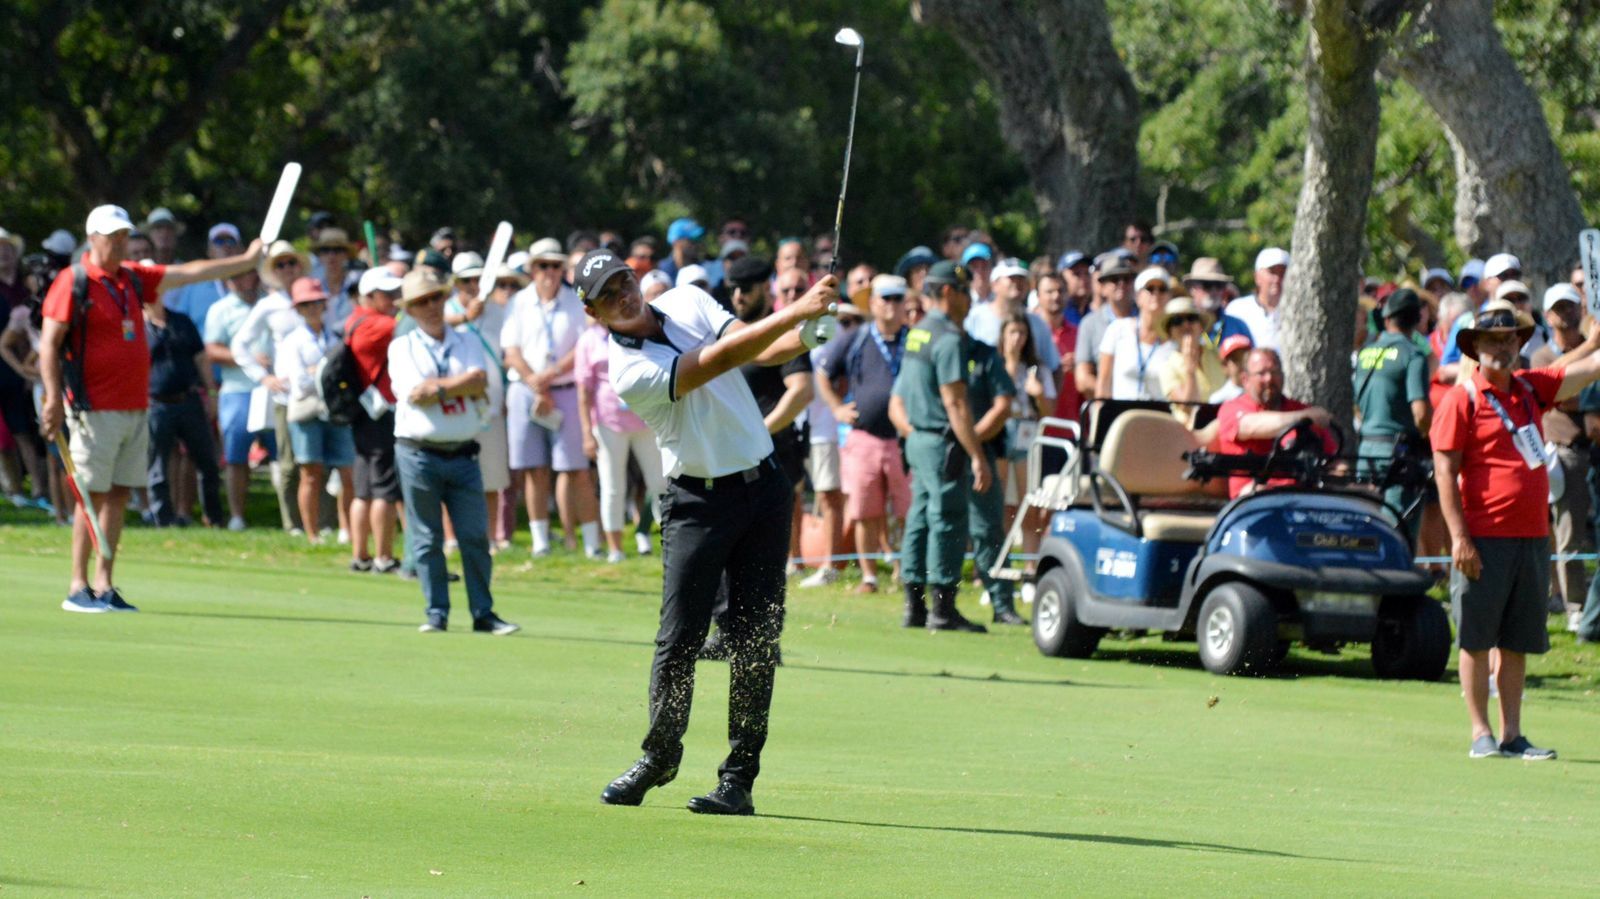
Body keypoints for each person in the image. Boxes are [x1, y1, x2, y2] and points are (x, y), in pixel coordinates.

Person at [582, 247, 837, 817]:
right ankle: (660, 756)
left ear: (634, 276)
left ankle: (739, 779)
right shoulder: (626, 369)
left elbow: (757, 346)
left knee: (754, 638)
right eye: (607, 296)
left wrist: (808, 334)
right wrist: (797, 310)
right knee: (680, 639)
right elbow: (719, 360)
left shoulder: (688, 299)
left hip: (764, 489)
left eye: (623, 280)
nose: (622, 294)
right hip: (697, 501)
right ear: (594, 313)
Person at [39, 204, 262, 613]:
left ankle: (105, 584)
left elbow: (192, 272)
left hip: (135, 407)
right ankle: (77, 585)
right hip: (92, 408)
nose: (120, 242)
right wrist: (53, 398)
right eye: (112, 235)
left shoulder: (133, 279)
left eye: (124, 234)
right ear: (93, 238)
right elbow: (50, 345)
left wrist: (244, 262)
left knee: (120, 494)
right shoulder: (75, 281)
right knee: (91, 495)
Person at [1433, 301, 1600, 759]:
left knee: (1516, 640)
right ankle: (1480, 733)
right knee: (1476, 638)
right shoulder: (1461, 399)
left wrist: (1596, 335)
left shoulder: (1528, 389)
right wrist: (1460, 538)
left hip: (1530, 535)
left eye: (1509, 339)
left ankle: (1512, 734)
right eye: (1492, 340)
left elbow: (1587, 370)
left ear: (1518, 344)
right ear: (1477, 347)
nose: (1501, 348)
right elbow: (1444, 474)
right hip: (1482, 537)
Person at [388, 267, 518, 636]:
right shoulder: (403, 346)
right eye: (421, 302)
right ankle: (437, 612)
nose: (430, 306)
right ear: (410, 309)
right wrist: (458, 386)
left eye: (435, 298)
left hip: (463, 452)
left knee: (475, 536)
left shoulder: (466, 340)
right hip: (419, 452)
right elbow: (415, 393)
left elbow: (480, 381)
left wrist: (441, 388)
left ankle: (483, 612)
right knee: (427, 538)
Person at [888, 260, 992, 633]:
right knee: (947, 518)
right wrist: (978, 455)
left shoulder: (917, 333)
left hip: (916, 437)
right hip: (941, 441)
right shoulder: (949, 338)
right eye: (964, 291)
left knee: (919, 517)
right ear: (948, 291)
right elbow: (957, 403)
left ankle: (913, 606)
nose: (969, 299)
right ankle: (943, 608)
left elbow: (900, 393)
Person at [503, 237, 602, 559]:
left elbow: (583, 345)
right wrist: (535, 381)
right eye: (543, 265)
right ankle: (541, 542)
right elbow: (511, 350)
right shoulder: (518, 302)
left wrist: (550, 374)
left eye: (555, 265)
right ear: (532, 269)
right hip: (525, 390)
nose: (549, 272)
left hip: (565, 389)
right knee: (534, 470)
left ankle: (591, 544)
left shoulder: (575, 301)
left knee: (576, 470)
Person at [819, 274, 911, 594]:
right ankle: (870, 576)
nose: (891, 305)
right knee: (864, 510)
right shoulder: (856, 337)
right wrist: (836, 409)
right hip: (864, 437)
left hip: (905, 439)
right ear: (872, 303)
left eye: (898, 298)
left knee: (907, 510)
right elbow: (823, 372)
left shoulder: (914, 340)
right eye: (885, 298)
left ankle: (906, 571)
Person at [575, 300, 665, 563]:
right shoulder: (588, 340)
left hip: (644, 419)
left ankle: (666, 538)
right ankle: (616, 548)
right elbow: (583, 391)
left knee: (660, 482)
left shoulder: (633, 329)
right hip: (607, 423)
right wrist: (586, 433)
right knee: (613, 487)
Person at [274, 277, 354, 545]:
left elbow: (341, 376)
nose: (312, 308)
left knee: (346, 472)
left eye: (317, 302)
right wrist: (323, 375)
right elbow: (300, 385)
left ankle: (347, 529)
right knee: (310, 473)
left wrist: (317, 374)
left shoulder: (335, 337)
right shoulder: (293, 341)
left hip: (334, 412)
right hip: (306, 413)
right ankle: (312, 533)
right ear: (298, 309)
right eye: (306, 304)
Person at [1528, 285, 1591, 622]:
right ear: (1548, 315)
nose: (1566, 314)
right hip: (1564, 454)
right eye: (1559, 308)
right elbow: (1566, 399)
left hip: (1591, 449)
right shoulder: (1542, 358)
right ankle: (1576, 607)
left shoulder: (1590, 350)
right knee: (1569, 535)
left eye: (1572, 307)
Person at [452, 263, 521, 552]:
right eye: (467, 280)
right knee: (454, 479)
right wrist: (464, 317)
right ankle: (451, 538)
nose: (474, 284)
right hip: (455, 407)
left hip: (490, 405)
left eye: (479, 279)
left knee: (491, 478)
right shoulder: (444, 309)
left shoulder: (498, 311)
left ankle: (491, 537)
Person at [143, 288, 223, 527]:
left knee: (207, 462)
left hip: (188, 400)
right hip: (156, 403)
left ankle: (214, 518)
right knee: (157, 467)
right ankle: (163, 520)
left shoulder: (181, 320)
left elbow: (200, 358)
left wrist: (211, 393)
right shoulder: (135, 326)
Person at [1352, 288, 1431, 526]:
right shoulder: (1413, 355)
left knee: (1368, 527)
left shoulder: (1365, 353)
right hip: (1400, 454)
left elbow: (1357, 404)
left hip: (1366, 450)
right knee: (1399, 530)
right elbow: (1420, 413)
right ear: (1417, 319)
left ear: (1386, 319)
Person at [1213, 349, 1336, 499]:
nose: (1269, 379)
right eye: (1261, 373)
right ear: (1245, 379)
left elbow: (1335, 461)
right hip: (1253, 502)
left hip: (1305, 498)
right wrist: (1304, 417)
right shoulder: (1231, 409)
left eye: (1275, 372)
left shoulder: (1301, 410)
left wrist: (1340, 476)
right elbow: (1252, 426)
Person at [203, 266, 273, 530]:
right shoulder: (221, 309)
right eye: (235, 276)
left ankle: (293, 519)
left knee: (282, 456)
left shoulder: (270, 304)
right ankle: (237, 517)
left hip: (273, 387)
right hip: (237, 390)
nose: (242, 280)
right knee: (236, 457)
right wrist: (247, 359)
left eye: (246, 274)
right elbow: (212, 350)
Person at [345, 267, 404, 573]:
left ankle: (360, 555)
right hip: (379, 414)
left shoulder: (355, 319)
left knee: (364, 488)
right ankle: (382, 556)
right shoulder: (377, 325)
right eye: (388, 294)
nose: (395, 299)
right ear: (369, 296)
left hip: (364, 412)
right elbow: (412, 325)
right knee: (384, 489)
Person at [1097, 267, 1174, 401]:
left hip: (1161, 416)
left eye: (1162, 289)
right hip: (1121, 416)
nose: (1156, 294)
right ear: (1138, 297)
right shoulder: (1117, 329)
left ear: (1169, 297)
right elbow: (1103, 384)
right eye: (1150, 289)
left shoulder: (1175, 341)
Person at [1074, 253, 1136, 399]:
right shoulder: (1089, 324)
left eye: (1126, 279)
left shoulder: (1146, 319)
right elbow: (1082, 379)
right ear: (1102, 287)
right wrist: (1113, 396)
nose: (1121, 284)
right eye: (1115, 279)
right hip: (1107, 408)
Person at [1155, 296, 1223, 423]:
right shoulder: (1167, 367)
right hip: (1189, 435)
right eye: (1177, 321)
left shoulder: (1218, 354)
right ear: (1170, 332)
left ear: (1201, 326)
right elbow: (1188, 407)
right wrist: (1190, 371)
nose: (1185, 325)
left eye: (1191, 318)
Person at [1225, 247, 1290, 350]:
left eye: (1282, 272)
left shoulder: (1298, 312)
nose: (1277, 279)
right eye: (1272, 272)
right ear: (1257, 277)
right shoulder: (1237, 309)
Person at [1208, 334, 1253, 404]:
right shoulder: (1218, 400)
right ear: (1225, 366)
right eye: (1236, 359)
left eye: (1247, 357)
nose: (1242, 363)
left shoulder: (1264, 391)